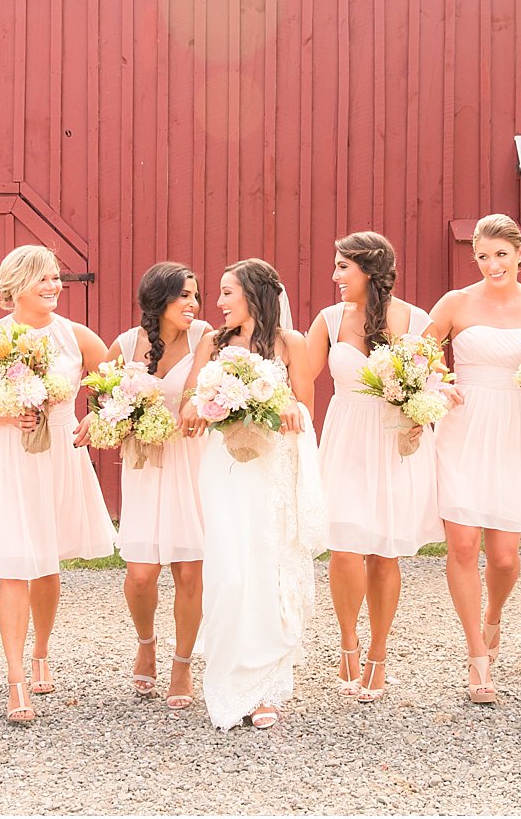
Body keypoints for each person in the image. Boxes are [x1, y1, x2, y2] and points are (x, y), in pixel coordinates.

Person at [0, 245, 117, 723]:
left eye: (55, 278)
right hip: (7, 458)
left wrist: (98, 417)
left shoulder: (77, 336)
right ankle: (15, 682)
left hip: (58, 459)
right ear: (16, 286)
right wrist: (7, 414)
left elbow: (118, 388)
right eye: (42, 279)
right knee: (14, 566)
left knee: (47, 566)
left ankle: (41, 653)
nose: (53, 287)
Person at [178, 258, 325, 731]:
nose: (217, 303)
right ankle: (226, 677)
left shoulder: (290, 343)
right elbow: (187, 402)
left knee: (267, 565)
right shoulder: (211, 344)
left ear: (255, 295)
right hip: (225, 469)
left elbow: (305, 407)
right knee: (230, 572)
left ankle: (266, 687)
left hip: (271, 470)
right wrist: (205, 406)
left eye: (226, 293)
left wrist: (281, 403)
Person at [302, 231, 444, 703]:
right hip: (345, 437)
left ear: (370, 269)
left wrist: (422, 411)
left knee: (384, 553)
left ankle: (379, 653)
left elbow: (433, 381)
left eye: (344, 267)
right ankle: (347, 641)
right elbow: (300, 379)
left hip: (392, 441)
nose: (335, 276)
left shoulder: (415, 319)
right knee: (343, 547)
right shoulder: (328, 319)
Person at [425, 214, 521, 704]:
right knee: (461, 547)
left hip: (511, 427)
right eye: (482, 256)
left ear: (520, 254)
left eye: (501, 254)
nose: (491, 264)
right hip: (462, 426)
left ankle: (494, 615)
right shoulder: (455, 302)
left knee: (504, 555)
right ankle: (477, 657)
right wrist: (439, 382)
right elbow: (416, 354)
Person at [78, 262, 210, 710]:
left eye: (196, 295)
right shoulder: (124, 344)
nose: (193, 304)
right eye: (184, 296)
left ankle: (182, 663)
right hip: (143, 467)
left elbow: (198, 395)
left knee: (189, 570)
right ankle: (147, 641)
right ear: (159, 300)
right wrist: (100, 417)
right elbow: (103, 399)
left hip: (191, 461)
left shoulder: (204, 337)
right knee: (139, 576)